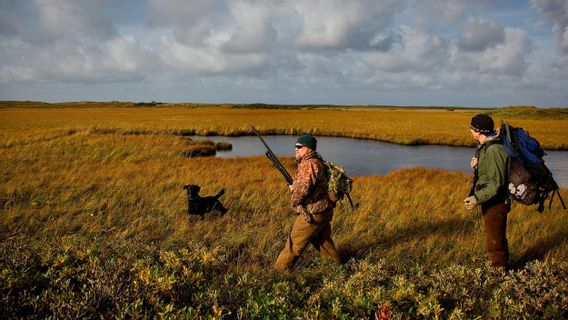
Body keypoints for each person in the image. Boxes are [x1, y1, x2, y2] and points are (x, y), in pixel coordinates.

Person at [274, 134, 341, 270]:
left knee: (293, 244)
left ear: (308, 148)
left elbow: (303, 190)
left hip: (313, 213)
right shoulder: (316, 161)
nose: (296, 149)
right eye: (295, 146)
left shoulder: (309, 163)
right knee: (324, 244)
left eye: (299, 147)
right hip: (323, 210)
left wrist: (294, 198)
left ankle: (278, 273)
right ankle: (336, 271)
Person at [464, 114, 511, 269]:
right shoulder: (484, 146)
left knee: (495, 240)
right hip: (490, 199)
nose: (470, 130)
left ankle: (499, 273)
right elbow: (489, 173)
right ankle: (498, 265)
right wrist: (477, 166)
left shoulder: (494, 150)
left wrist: (476, 198)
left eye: (472, 127)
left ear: (479, 131)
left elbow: (496, 184)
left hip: (496, 201)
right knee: (494, 237)